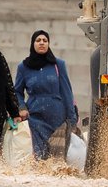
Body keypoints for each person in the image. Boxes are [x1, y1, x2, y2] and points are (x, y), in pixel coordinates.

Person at [14, 30, 78, 159]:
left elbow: (67, 92)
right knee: (39, 157)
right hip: (35, 118)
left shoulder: (58, 65)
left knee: (57, 158)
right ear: (33, 44)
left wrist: (71, 118)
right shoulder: (23, 67)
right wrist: (21, 107)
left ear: (48, 44)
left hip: (57, 119)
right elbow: (17, 91)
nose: (42, 43)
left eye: (45, 40)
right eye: (38, 41)